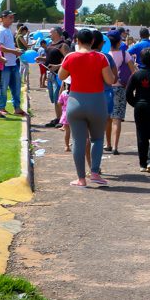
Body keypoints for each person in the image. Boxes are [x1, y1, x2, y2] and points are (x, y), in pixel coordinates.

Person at [58, 28, 116, 188]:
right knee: (97, 139)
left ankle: (81, 178)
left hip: (76, 101)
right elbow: (110, 80)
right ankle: (95, 173)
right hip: (97, 101)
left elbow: (61, 76)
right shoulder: (101, 57)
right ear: (92, 41)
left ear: (77, 41)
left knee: (78, 140)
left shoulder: (70, 57)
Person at [106, 29, 135, 155]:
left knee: (107, 118)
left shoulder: (105, 54)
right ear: (119, 42)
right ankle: (115, 146)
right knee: (117, 119)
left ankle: (108, 144)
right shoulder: (125, 54)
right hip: (121, 88)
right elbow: (133, 71)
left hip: (106, 88)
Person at [0, 10, 25, 116]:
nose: (12, 19)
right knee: (3, 87)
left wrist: (15, 49)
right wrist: (14, 51)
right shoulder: (1, 31)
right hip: (5, 64)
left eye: (12, 17)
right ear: (3, 18)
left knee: (16, 87)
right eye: (10, 17)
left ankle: (17, 108)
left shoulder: (8, 30)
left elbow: (7, 46)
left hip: (13, 63)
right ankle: (1, 107)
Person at [40, 27, 69, 127]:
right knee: (53, 98)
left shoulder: (63, 45)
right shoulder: (51, 44)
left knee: (58, 98)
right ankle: (58, 118)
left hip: (58, 75)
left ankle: (61, 120)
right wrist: (42, 59)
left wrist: (57, 66)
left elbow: (69, 60)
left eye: (51, 32)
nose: (49, 34)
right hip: (50, 74)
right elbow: (50, 57)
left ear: (56, 33)